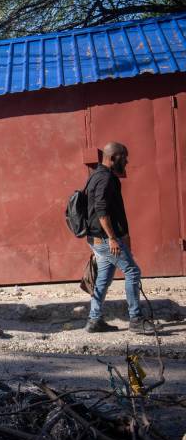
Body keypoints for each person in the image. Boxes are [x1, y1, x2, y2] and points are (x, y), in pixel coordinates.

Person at [85, 142, 144, 334]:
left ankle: (94, 321)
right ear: (113, 158)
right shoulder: (105, 178)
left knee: (104, 276)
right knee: (133, 271)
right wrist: (112, 238)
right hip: (104, 239)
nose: (126, 161)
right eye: (124, 157)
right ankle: (136, 320)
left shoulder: (96, 176)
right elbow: (102, 211)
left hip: (98, 238)